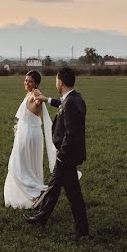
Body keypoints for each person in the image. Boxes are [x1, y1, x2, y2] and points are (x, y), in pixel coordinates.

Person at [25, 67, 89, 240]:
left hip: (66, 156)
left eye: (55, 80)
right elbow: (62, 104)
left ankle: (82, 231)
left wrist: (61, 155)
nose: (55, 82)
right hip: (68, 155)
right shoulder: (75, 98)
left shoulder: (70, 103)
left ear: (60, 82)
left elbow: (71, 133)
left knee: (73, 194)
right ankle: (41, 218)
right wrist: (47, 99)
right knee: (54, 188)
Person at [3, 70, 58, 208]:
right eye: (26, 80)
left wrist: (39, 96)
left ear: (36, 84)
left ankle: (36, 192)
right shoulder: (29, 94)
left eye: (30, 81)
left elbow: (38, 98)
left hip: (28, 135)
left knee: (18, 166)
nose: (26, 83)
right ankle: (35, 194)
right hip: (29, 133)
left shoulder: (35, 94)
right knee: (26, 166)